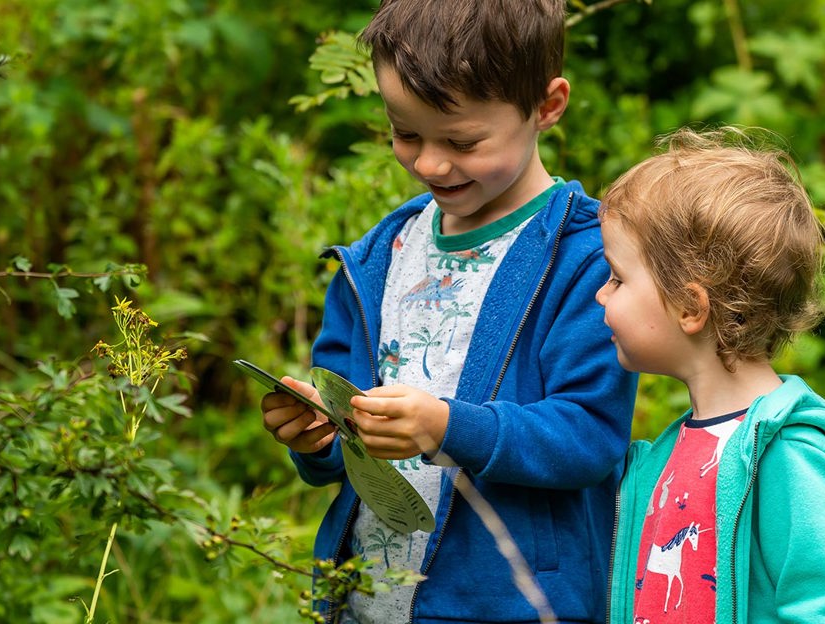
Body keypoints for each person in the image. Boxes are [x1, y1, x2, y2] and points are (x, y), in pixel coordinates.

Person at [260, 1, 637, 622]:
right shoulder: (383, 255)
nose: (430, 164)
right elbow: (340, 441)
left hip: (510, 604)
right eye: (406, 133)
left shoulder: (589, 257)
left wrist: (447, 428)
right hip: (368, 599)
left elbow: (588, 435)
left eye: (462, 141)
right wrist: (318, 434)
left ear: (547, 106)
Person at [599, 127, 825, 623]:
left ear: (689, 306)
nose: (601, 296)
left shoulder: (790, 454)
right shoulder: (671, 453)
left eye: (617, 278)